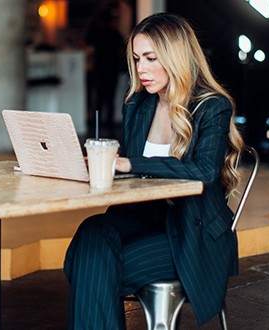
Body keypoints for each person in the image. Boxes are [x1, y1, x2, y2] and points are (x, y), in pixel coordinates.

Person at [63, 12, 244, 329]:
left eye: (150, 58)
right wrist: (96, 167)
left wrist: (129, 163)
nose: (140, 69)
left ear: (175, 56)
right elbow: (131, 176)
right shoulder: (138, 104)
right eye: (135, 59)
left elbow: (203, 173)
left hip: (192, 235)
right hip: (141, 218)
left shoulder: (212, 106)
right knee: (92, 233)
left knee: (90, 266)